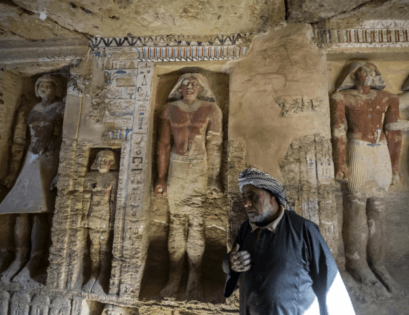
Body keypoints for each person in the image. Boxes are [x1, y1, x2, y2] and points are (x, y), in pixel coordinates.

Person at [223, 168, 355, 315]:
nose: (246, 203)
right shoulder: (246, 229)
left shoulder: (304, 230)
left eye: (253, 196)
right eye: (244, 197)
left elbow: (331, 285)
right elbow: (231, 268)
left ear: (272, 196)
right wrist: (231, 264)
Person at [331, 62, 405, 296]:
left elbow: (394, 134)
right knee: (355, 207)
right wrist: (341, 163)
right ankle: (357, 263)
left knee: (378, 211)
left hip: (380, 151)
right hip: (358, 150)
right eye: (362, 70)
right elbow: (338, 131)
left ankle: (379, 264)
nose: (367, 74)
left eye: (371, 70)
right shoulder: (342, 97)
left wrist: (395, 168)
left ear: (376, 75)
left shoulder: (388, 98)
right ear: (353, 75)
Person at [154, 73, 223, 300]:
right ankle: (174, 276)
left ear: (201, 87)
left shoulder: (212, 109)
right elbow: (164, 144)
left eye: (194, 83)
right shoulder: (170, 109)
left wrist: (213, 177)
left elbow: (214, 145)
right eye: (185, 83)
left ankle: (194, 277)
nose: (190, 86)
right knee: (176, 221)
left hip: (200, 168)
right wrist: (161, 177)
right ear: (180, 88)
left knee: (196, 222)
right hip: (177, 166)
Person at [0, 75, 65, 285]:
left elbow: (66, 140)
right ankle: (18, 257)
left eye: (48, 86)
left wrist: (62, 171)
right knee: (21, 211)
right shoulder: (30, 109)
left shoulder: (61, 109)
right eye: (40, 86)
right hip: (31, 158)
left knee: (41, 213)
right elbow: (19, 141)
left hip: (50, 160)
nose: (44, 89)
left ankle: (35, 259)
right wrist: (11, 172)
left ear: (56, 89)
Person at [82, 150, 118, 294]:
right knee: (93, 245)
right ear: (95, 161)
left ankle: (103, 274)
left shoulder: (113, 178)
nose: (102, 162)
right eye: (100, 159)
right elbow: (85, 200)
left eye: (106, 160)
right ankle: (93, 273)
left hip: (105, 216)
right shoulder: (90, 177)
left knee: (104, 247)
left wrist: (113, 219)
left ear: (112, 163)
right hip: (93, 215)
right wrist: (84, 216)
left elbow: (114, 201)